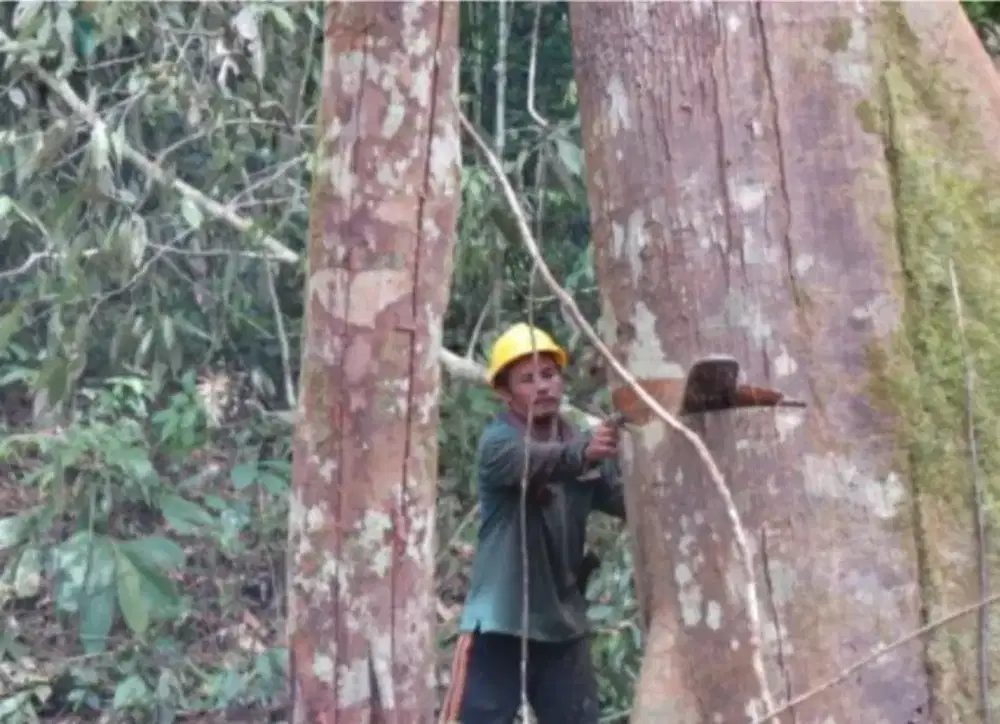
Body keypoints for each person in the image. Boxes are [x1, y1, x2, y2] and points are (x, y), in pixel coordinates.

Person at [440, 323, 626, 724]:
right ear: (505, 394)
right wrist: (587, 451)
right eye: (527, 379)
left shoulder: (582, 444)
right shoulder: (499, 444)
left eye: (549, 374)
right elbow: (542, 460)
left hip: (562, 629)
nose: (543, 387)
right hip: (499, 626)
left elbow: (625, 501)